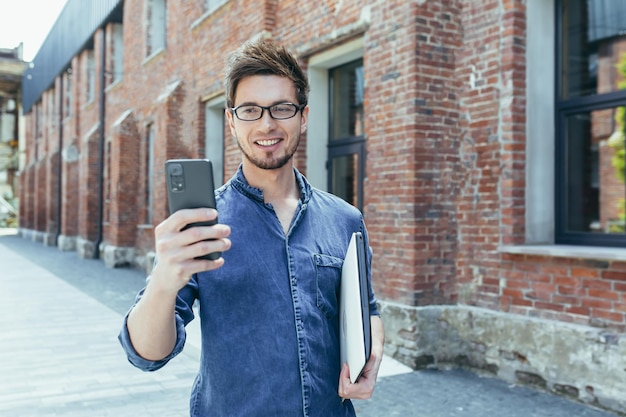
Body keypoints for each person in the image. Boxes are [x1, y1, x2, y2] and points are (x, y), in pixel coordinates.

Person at [118, 38, 385, 417]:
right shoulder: (203, 223)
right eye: (250, 110)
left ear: (303, 116)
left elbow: (368, 309)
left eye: (282, 108)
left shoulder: (345, 219)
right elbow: (146, 354)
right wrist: (164, 278)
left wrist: (372, 352)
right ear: (231, 120)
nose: (267, 124)